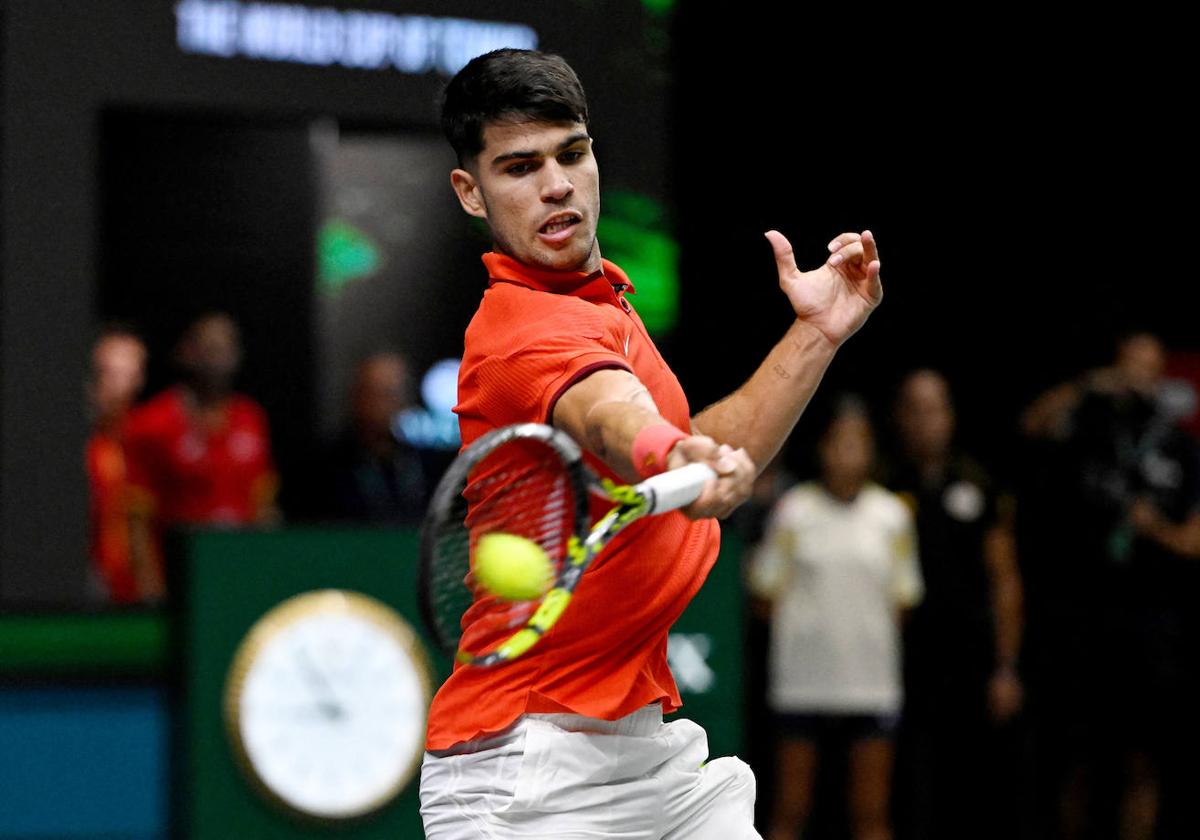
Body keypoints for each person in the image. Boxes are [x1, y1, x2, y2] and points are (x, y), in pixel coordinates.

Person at [418, 48, 883, 840]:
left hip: (647, 752)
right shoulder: (519, 335)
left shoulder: (607, 307)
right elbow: (612, 416)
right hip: (524, 774)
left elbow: (696, 443)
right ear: (471, 192)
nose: (556, 184)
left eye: (572, 153)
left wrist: (815, 336)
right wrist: (671, 457)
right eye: (519, 167)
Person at [1020, 332, 1199, 840]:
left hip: (1152, 625)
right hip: (1082, 618)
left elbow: (1195, 539)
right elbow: (1033, 424)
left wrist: (1155, 529)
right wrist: (1087, 385)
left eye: (1150, 367)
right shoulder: (1086, 425)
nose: (1139, 376)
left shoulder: (1178, 444)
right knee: (1077, 754)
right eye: (1129, 365)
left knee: (1144, 759)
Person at [749, 399, 922, 840]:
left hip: (871, 684)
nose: (848, 454)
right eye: (839, 443)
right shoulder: (793, 512)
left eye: (858, 444)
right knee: (790, 809)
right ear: (823, 449)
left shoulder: (893, 516)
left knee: (871, 814)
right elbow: (765, 596)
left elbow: (903, 602)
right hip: (802, 684)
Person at [886, 369, 1024, 840]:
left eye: (935, 408)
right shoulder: (881, 484)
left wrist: (1005, 666)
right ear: (900, 417)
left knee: (969, 781)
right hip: (897, 659)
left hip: (969, 659)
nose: (926, 421)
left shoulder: (978, 484)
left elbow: (1004, 579)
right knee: (903, 784)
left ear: (951, 415)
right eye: (915, 409)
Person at [124, 312, 278, 599]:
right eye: (209, 349)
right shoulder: (151, 422)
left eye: (226, 349)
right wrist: (149, 587)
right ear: (186, 353)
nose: (218, 360)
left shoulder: (251, 418)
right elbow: (136, 517)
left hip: (239, 576)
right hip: (178, 580)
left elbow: (263, 505)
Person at [319, 352, 428, 523]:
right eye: (376, 393)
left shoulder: (425, 466)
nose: (383, 405)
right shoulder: (324, 470)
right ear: (356, 396)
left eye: (392, 394)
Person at [85, 326, 147, 603]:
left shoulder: (151, 439)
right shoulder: (80, 446)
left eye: (129, 375)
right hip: (88, 587)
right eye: (108, 373)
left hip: (142, 589)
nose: (119, 386)